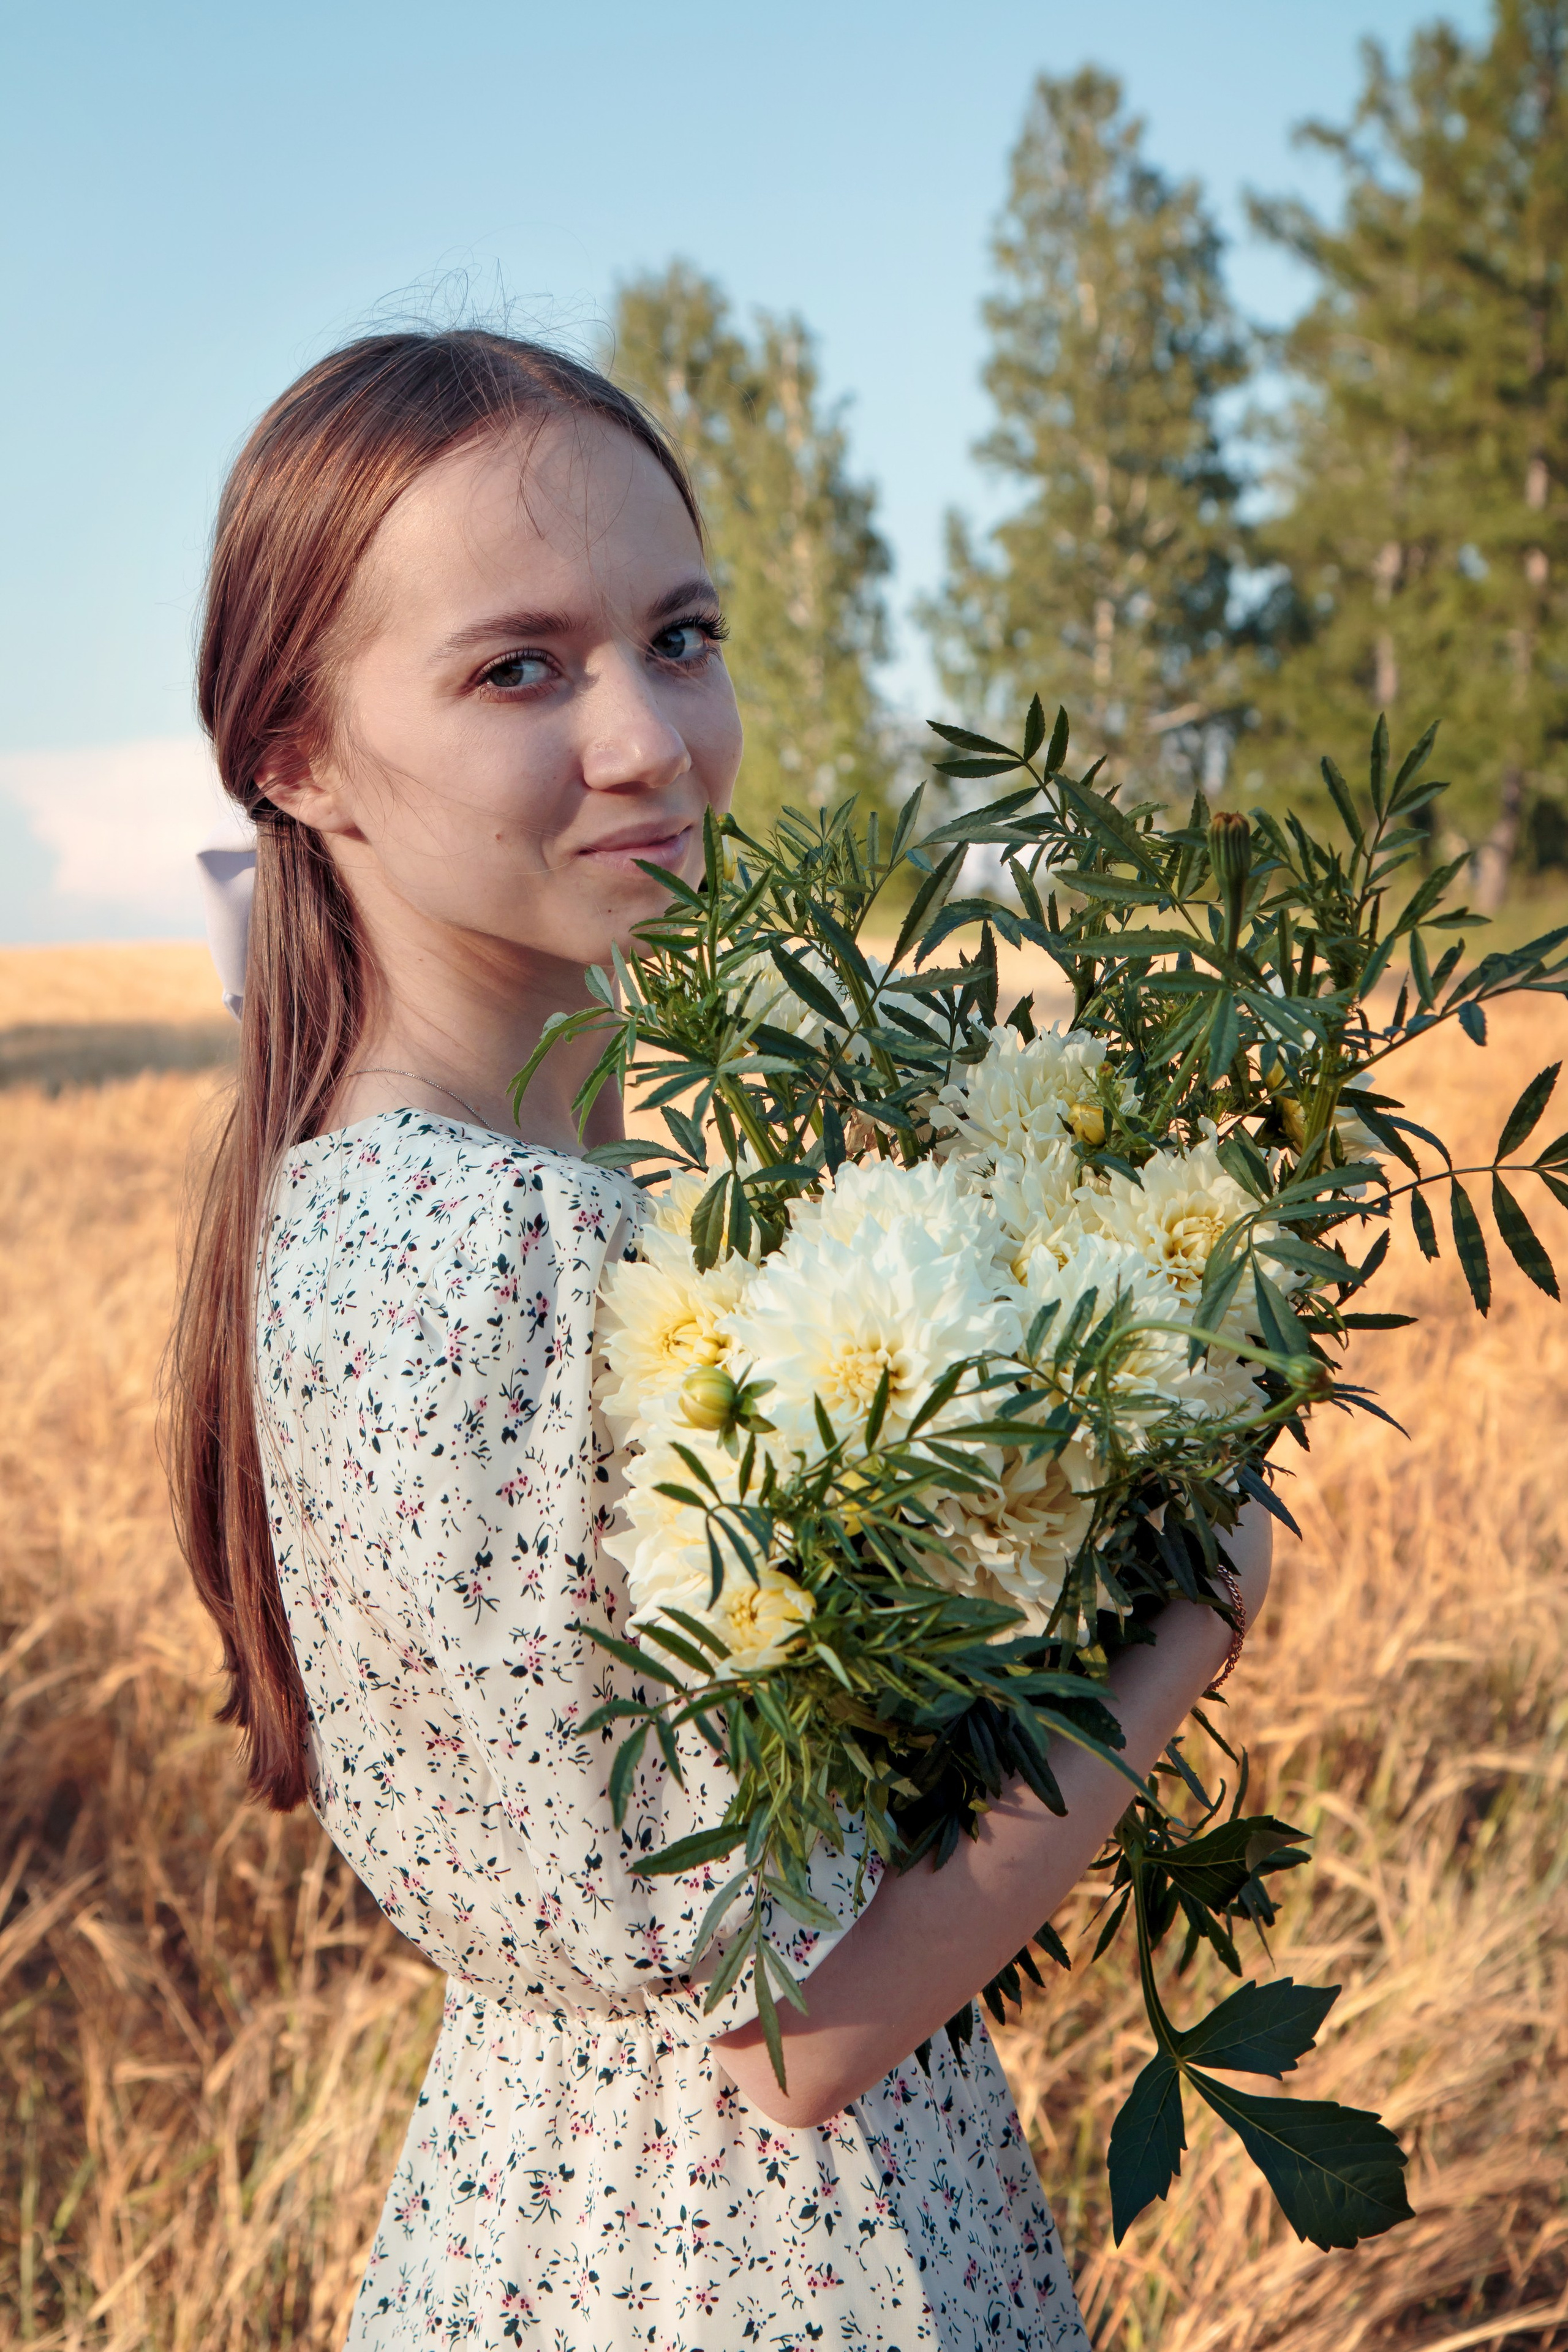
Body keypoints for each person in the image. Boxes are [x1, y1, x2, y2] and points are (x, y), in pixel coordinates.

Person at [170, 328, 1272, 2352]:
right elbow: (792, 2024)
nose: (650, 739)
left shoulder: (401, 1194)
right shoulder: (503, 1255)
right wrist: (1178, 1620)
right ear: (298, 758)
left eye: (678, 636)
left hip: (542, 2207)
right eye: (521, 668)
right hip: (742, 2262)